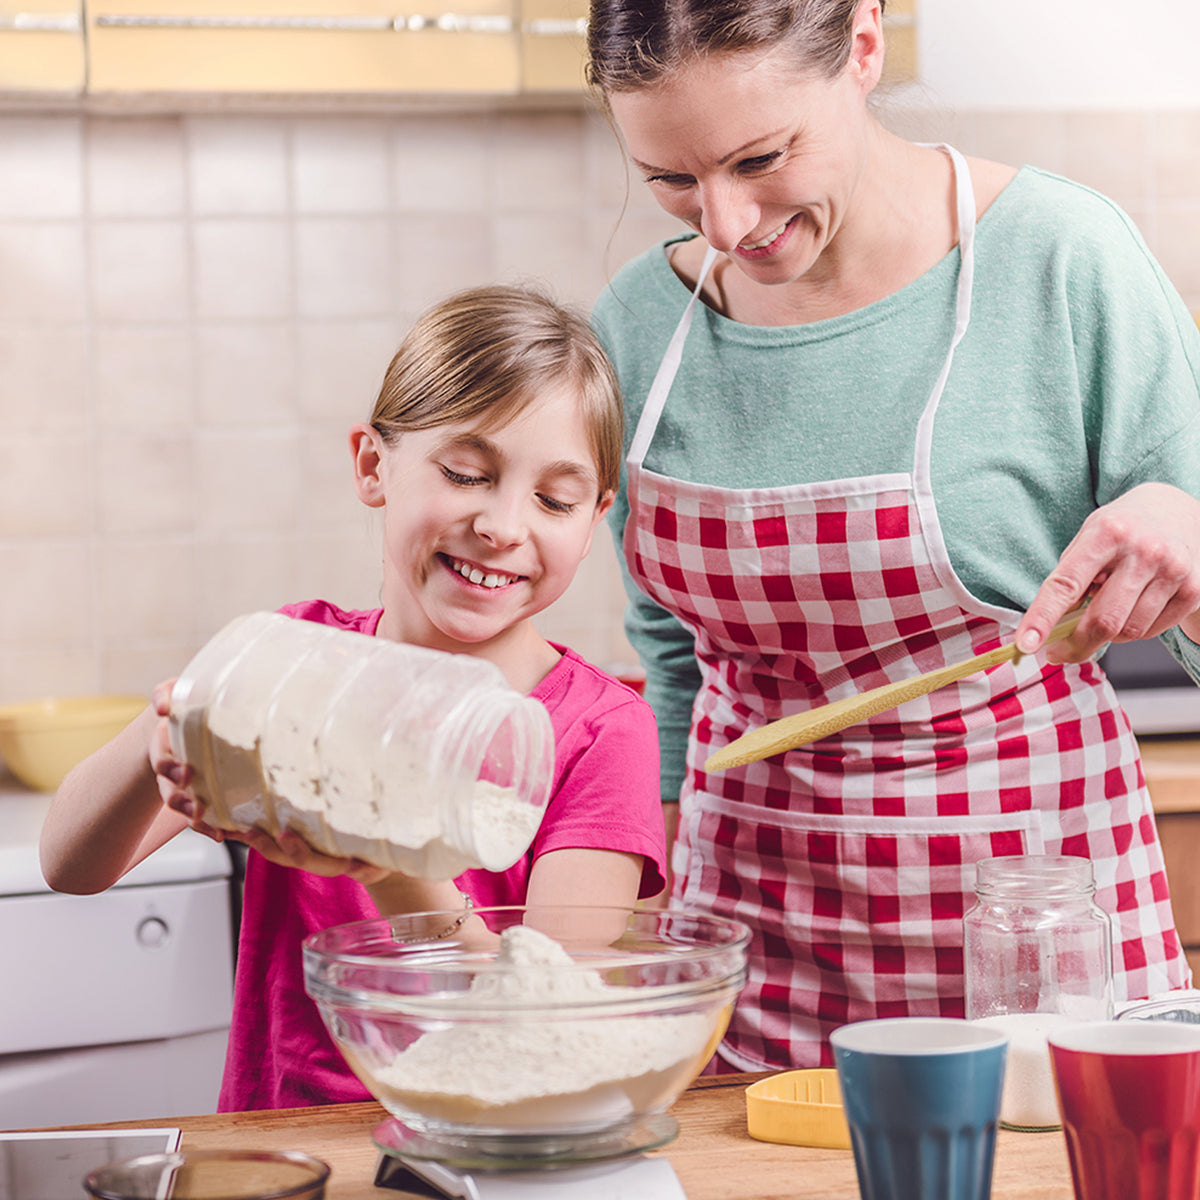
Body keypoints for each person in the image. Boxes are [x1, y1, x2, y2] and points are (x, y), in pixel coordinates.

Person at [586, 0, 1200, 1072]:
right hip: (751, 928)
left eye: (761, 157)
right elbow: (667, 652)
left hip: (1035, 931)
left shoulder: (1062, 260)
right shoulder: (640, 323)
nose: (725, 223)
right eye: (673, 183)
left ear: (864, 44)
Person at [39, 284, 667, 1109]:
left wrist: (385, 859)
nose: (506, 526)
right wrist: (181, 713)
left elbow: (536, 1029)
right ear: (374, 467)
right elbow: (71, 865)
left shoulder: (599, 732)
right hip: (283, 1145)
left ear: (594, 521)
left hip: (485, 1153)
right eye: (468, 473)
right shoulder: (299, 660)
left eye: (555, 499)